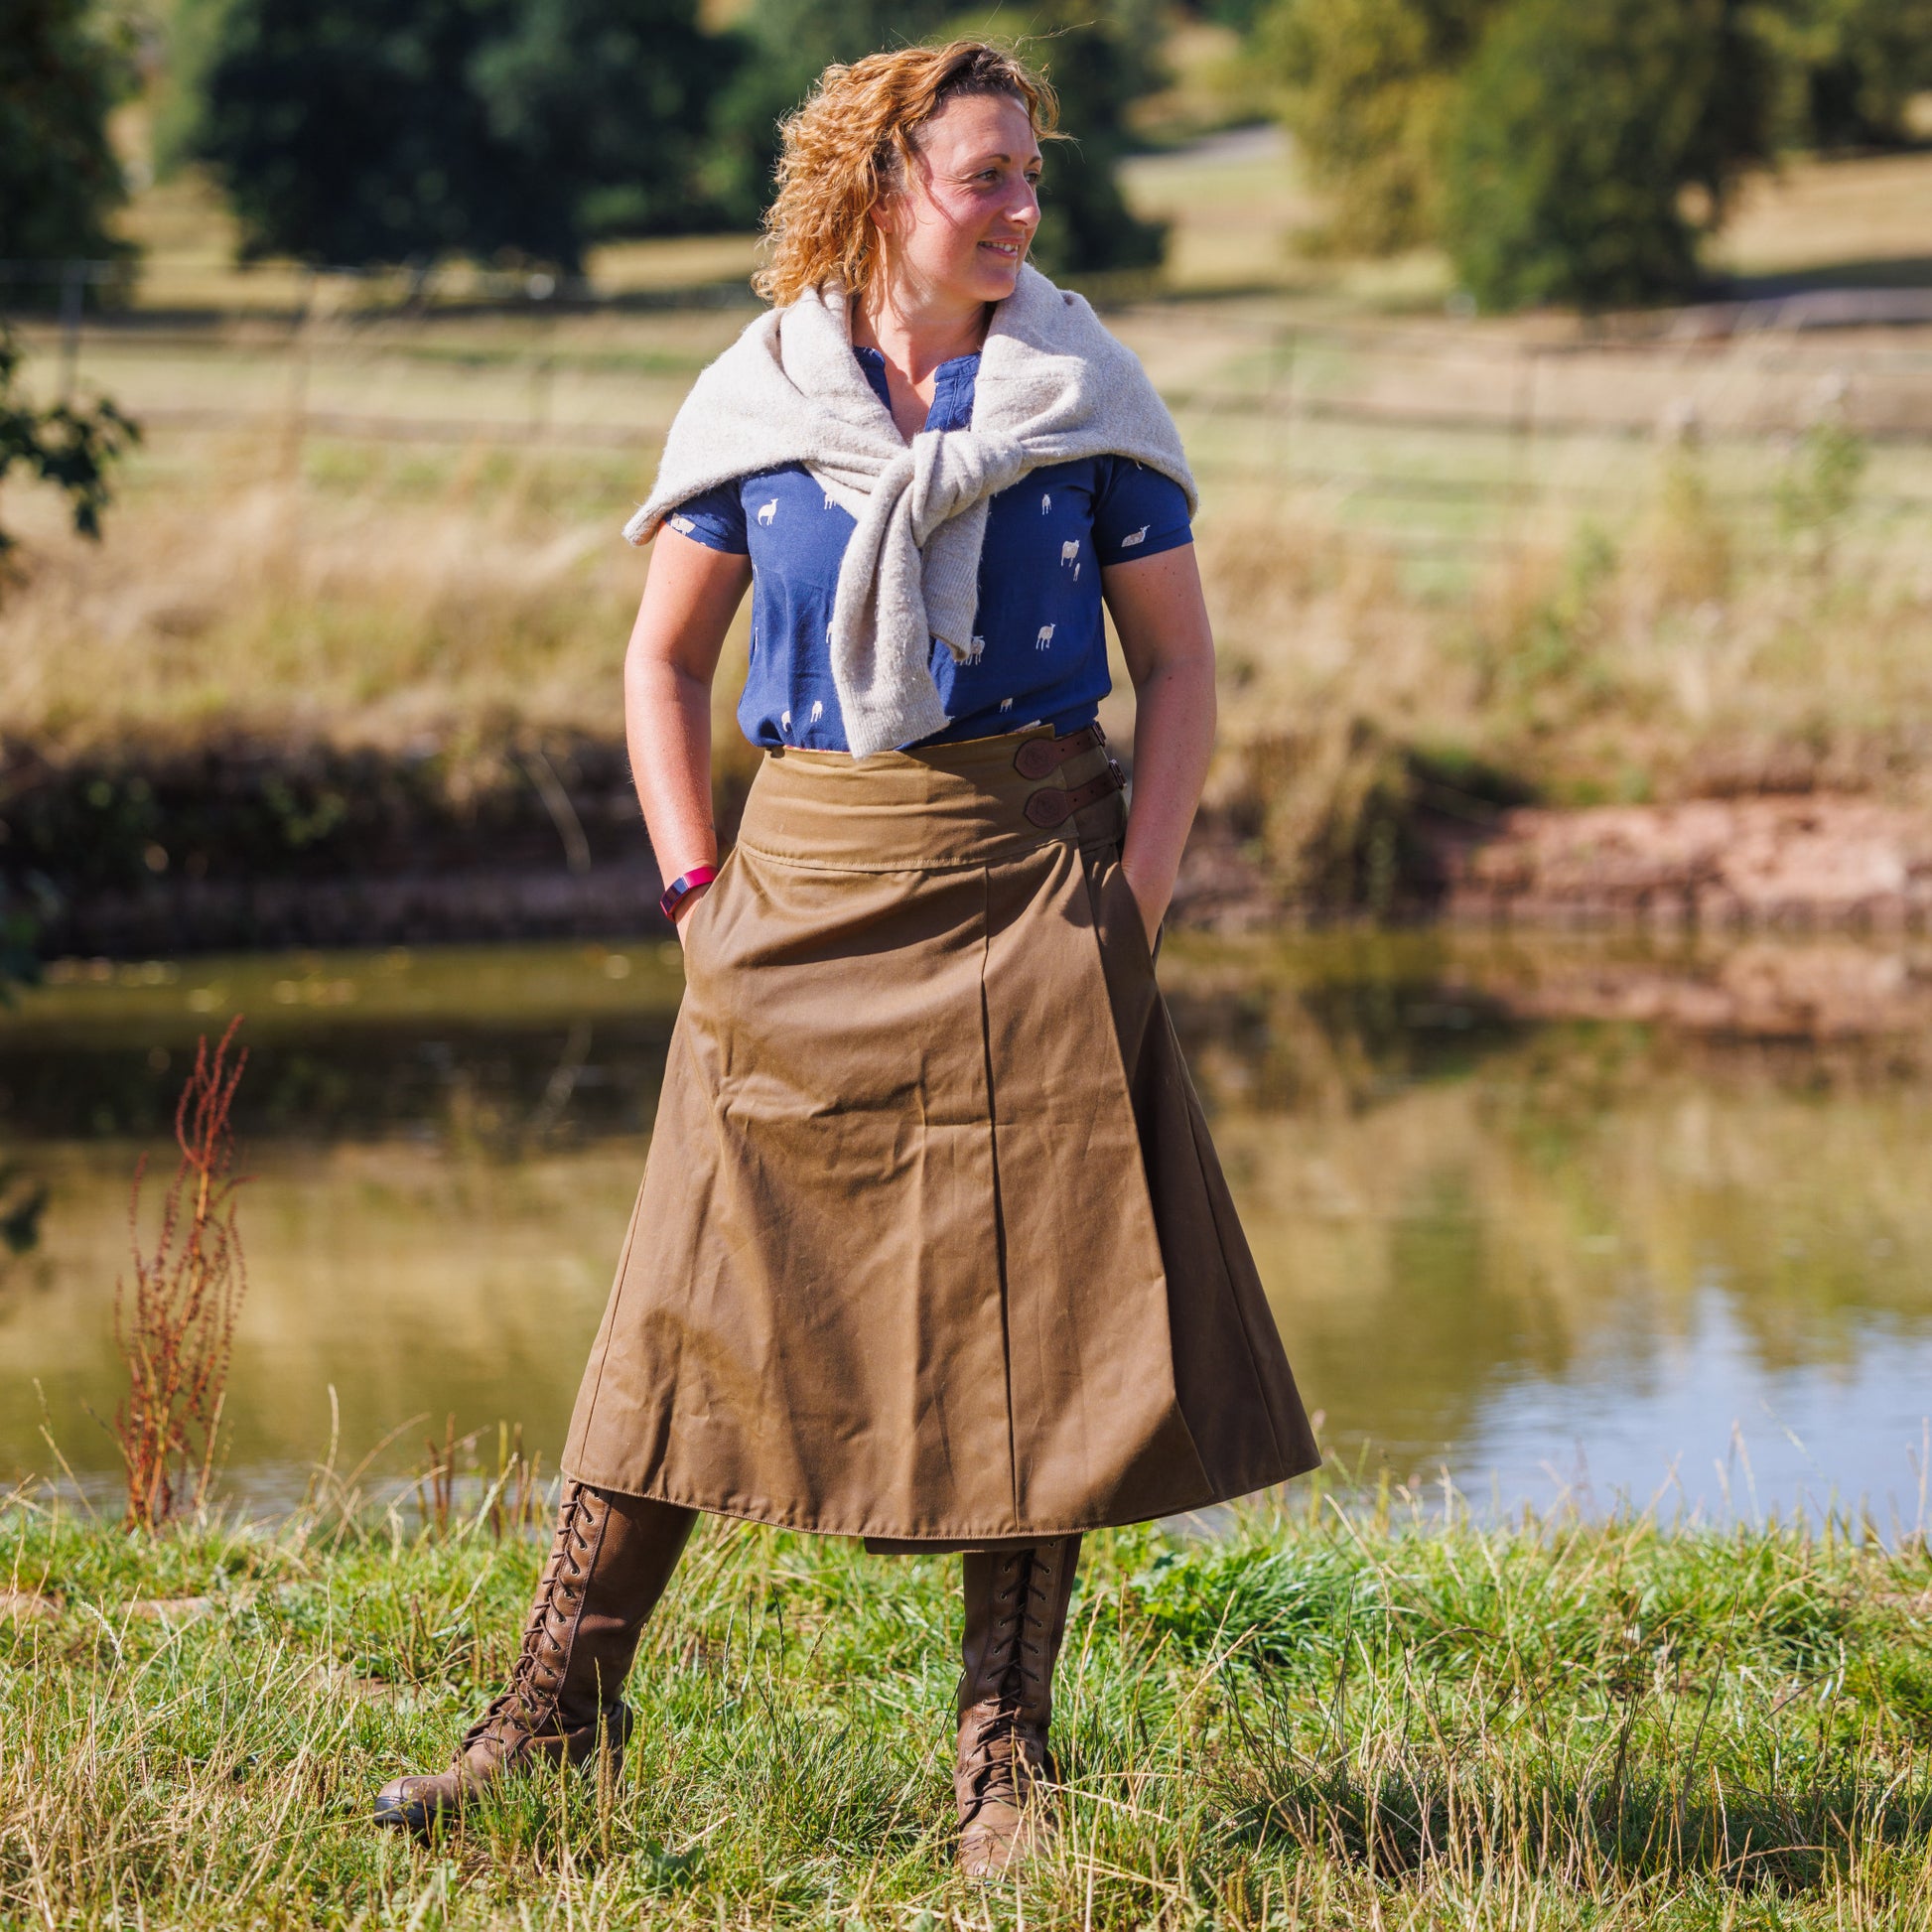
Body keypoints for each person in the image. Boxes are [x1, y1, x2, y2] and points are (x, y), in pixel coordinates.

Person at [374, 38, 1319, 1875]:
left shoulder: (1079, 393)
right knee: (680, 1297)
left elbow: (1182, 670)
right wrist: (689, 889)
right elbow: (660, 664)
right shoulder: (764, 395)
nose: (1021, 210)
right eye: (987, 177)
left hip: (1025, 878)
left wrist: (1133, 896)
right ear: (887, 181)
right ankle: (557, 1712)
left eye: (1030, 179)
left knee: (1031, 1330)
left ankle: (1003, 1771)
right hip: (793, 890)